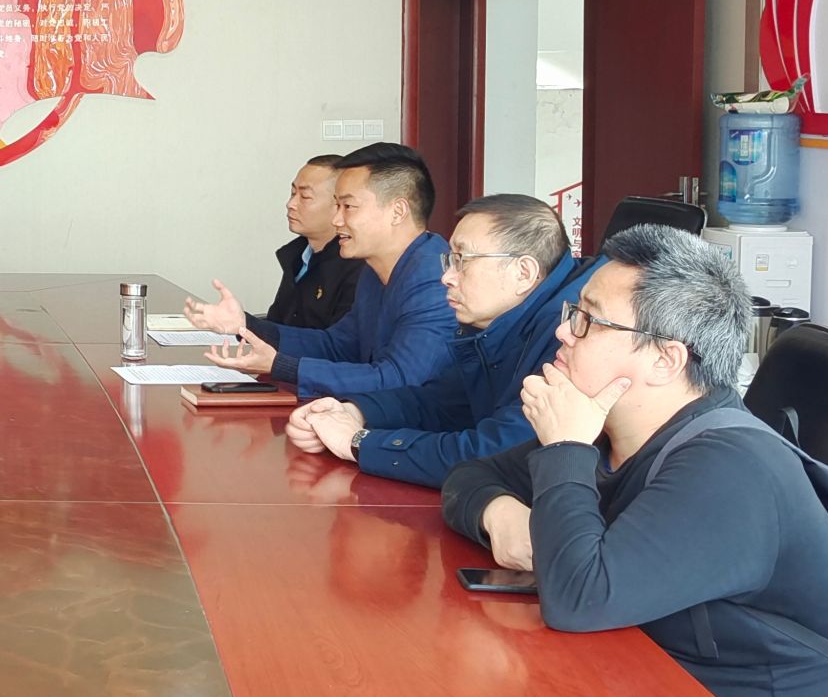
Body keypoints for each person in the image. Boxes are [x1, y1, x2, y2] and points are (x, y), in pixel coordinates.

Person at [441, 225, 828, 697]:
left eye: (588, 320)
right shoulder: (613, 426)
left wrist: (564, 446)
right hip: (655, 679)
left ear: (665, 360)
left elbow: (579, 600)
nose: (563, 332)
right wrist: (502, 515)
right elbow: (469, 478)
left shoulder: (730, 465)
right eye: (573, 312)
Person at [285, 194, 599, 487]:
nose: (446, 277)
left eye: (462, 260)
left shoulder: (572, 333)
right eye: (450, 260)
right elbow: (444, 402)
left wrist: (359, 442)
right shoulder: (501, 318)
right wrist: (357, 411)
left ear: (524, 272)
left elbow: (501, 454)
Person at [187, 142, 453, 398]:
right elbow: (336, 345)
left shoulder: (435, 279)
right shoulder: (375, 270)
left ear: (397, 211)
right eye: (337, 206)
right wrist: (245, 325)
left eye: (348, 207)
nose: (336, 220)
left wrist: (282, 366)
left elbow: (399, 379)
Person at [267, 154, 362, 330]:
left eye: (305, 196)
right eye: (293, 193)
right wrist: (240, 325)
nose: (290, 204)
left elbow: (336, 342)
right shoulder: (298, 256)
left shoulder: (356, 266)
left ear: (340, 205)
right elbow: (277, 324)